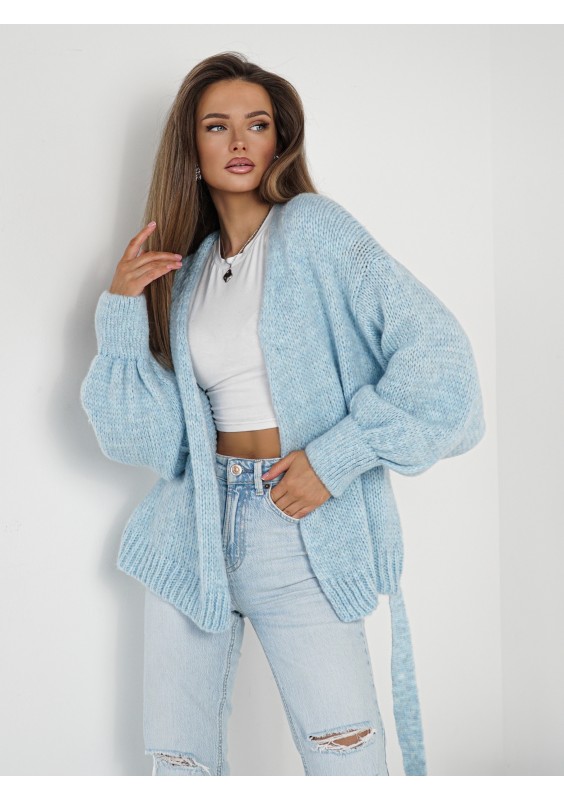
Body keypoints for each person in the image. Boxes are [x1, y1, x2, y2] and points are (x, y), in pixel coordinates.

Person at [80, 51, 486, 777]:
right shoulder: (189, 270)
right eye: (217, 126)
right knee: (177, 764)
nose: (239, 141)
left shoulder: (314, 230)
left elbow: (442, 361)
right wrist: (120, 313)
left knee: (344, 755)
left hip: (295, 525)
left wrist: (336, 459)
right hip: (190, 530)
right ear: (190, 147)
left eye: (257, 124)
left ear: (279, 140)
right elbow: (148, 442)